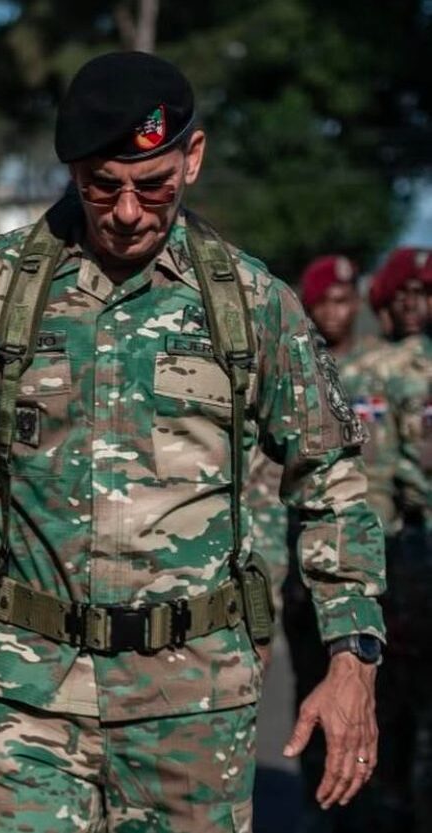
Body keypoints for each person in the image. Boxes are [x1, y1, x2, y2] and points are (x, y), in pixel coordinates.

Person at [0, 51, 385, 832]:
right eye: (100, 184)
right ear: (71, 171)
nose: (125, 210)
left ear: (192, 157)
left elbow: (331, 483)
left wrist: (351, 656)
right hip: (26, 699)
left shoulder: (255, 304)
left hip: (193, 709)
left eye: (151, 184)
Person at [265, 255, 379, 832]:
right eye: (326, 301)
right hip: (300, 564)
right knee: (311, 688)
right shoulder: (284, 362)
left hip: (370, 560)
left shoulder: (383, 369)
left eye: (345, 300)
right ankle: (320, 805)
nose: (337, 311)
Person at [359, 248, 430, 833]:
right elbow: (375, 477)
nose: (414, 304)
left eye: (423, 294)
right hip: (409, 550)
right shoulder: (377, 371)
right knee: (400, 702)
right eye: (403, 293)